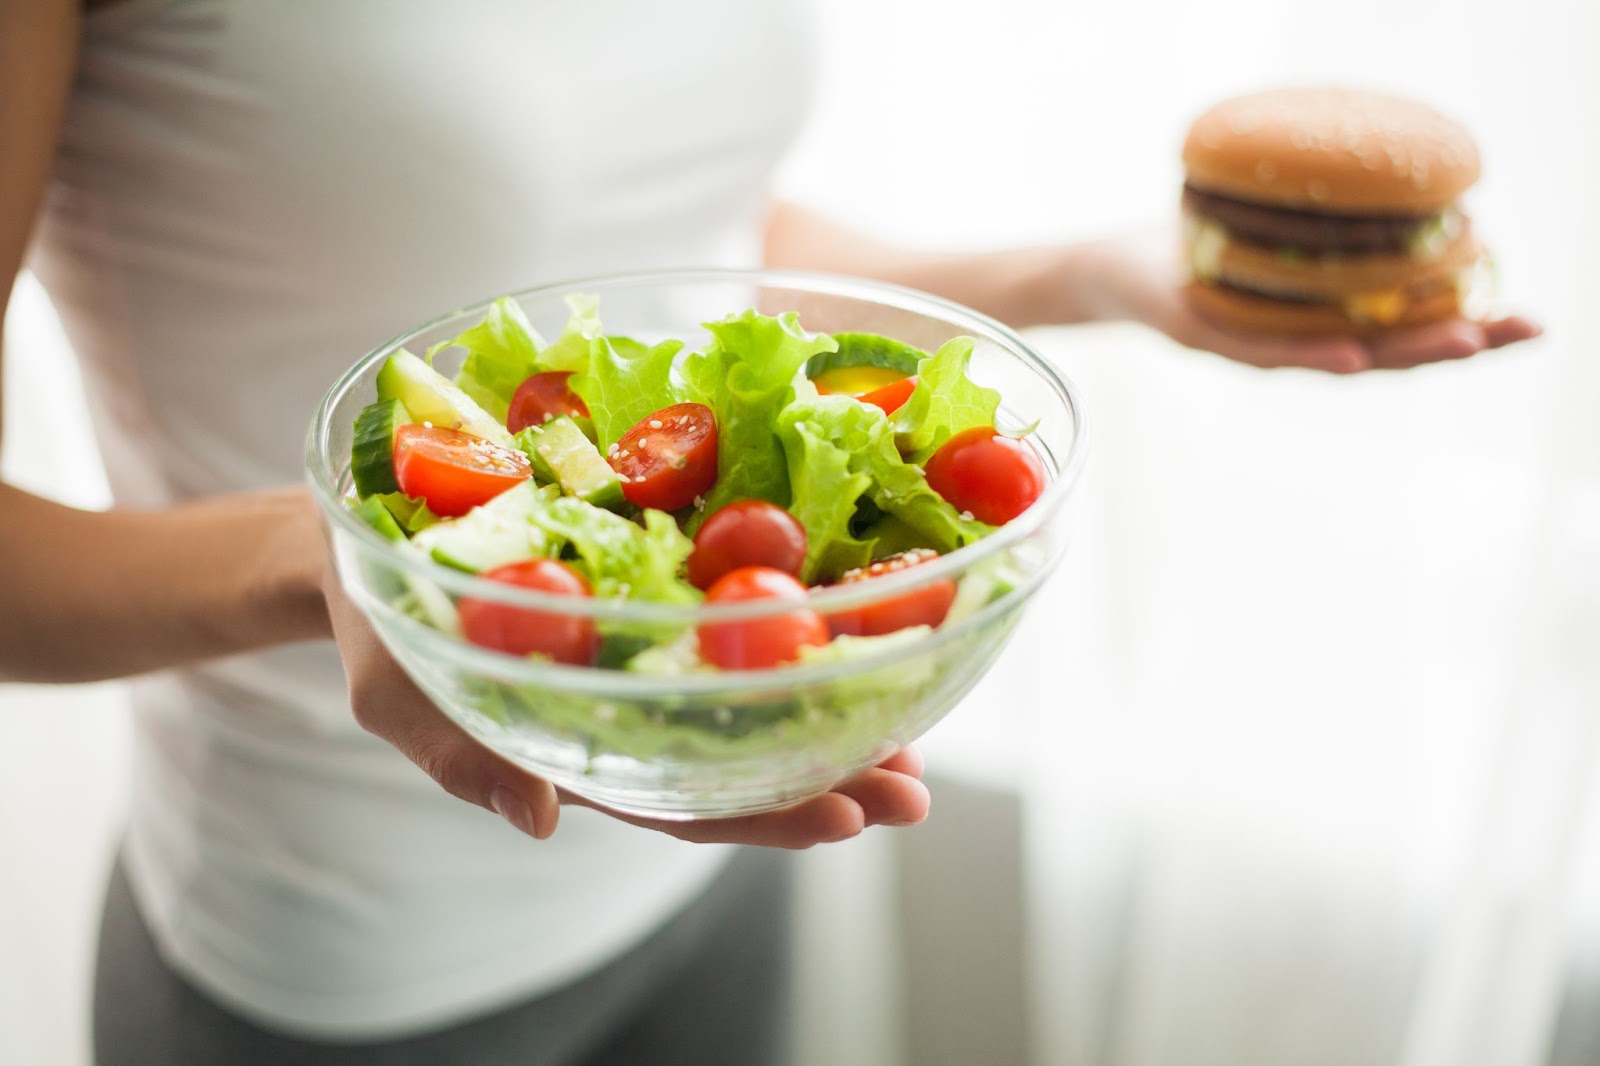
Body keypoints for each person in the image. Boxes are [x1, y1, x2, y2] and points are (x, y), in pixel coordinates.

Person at [0, 2, 1539, 1064]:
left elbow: (686, 248)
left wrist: (1086, 272)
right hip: (337, 957)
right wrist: (330, 556)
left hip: (717, 843)